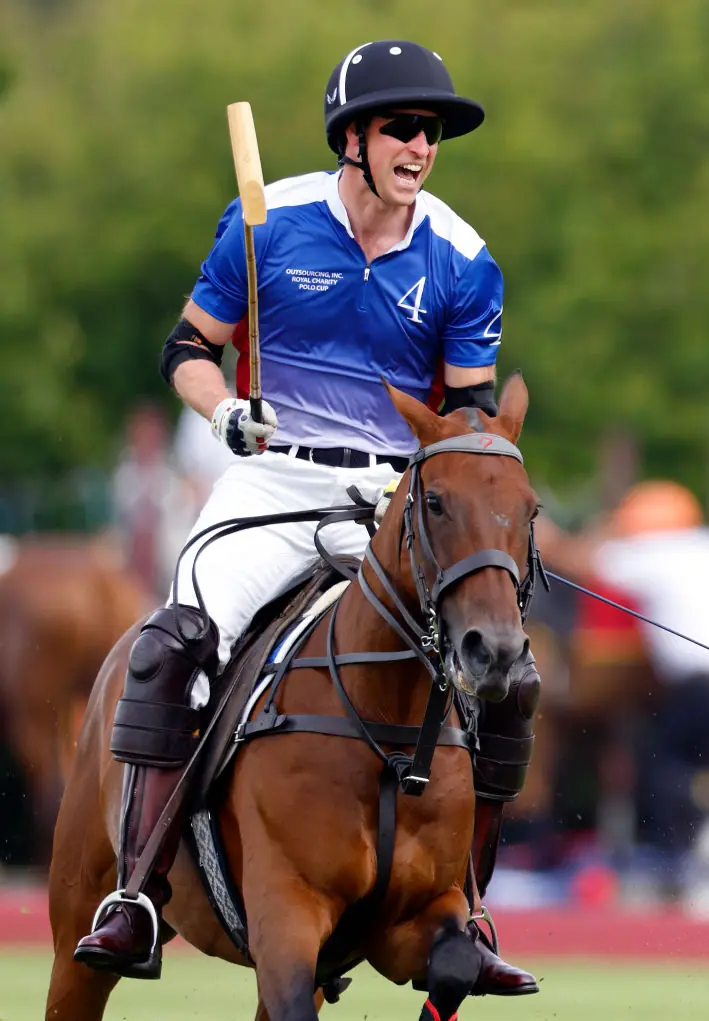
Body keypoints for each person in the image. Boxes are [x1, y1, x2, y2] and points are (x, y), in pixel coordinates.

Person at [75, 40, 540, 994]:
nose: (423, 144)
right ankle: (136, 892)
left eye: (433, 131)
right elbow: (187, 349)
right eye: (405, 127)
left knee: (501, 672)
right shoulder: (267, 223)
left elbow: (467, 414)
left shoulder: (461, 257)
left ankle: (467, 902)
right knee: (178, 643)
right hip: (271, 482)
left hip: (396, 495)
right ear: (354, 137)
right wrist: (224, 411)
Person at [537, 480, 709, 900]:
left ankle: (681, 868)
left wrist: (541, 530)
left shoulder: (649, 552)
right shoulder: (698, 543)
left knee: (667, 768)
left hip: (697, 681)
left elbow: (577, 559)